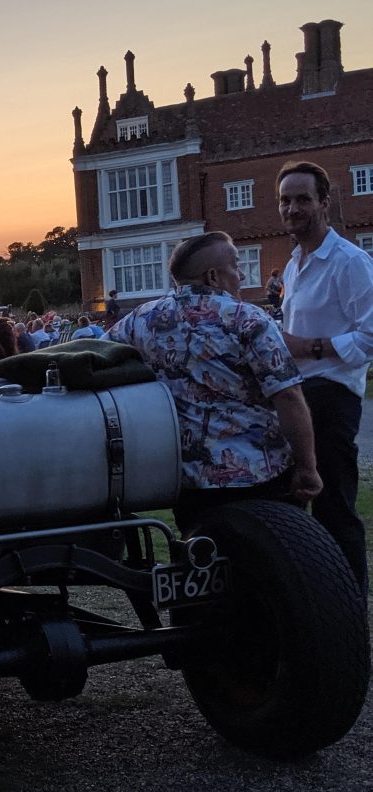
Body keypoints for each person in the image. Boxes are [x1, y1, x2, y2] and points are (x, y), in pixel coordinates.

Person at [108, 230, 320, 532]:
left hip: (189, 482)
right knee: (277, 567)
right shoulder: (249, 320)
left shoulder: (141, 320)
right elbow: (288, 397)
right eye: (235, 265)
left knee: (207, 564)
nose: (243, 275)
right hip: (260, 476)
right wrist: (307, 468)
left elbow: (98, 356)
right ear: (213, 277)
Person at [276, 160, 373, 588]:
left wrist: (309, 346)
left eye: (302, 199)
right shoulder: (296, 263)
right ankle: (313, 603)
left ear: (325, 203)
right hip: (298, 394)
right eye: (285, 200)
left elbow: (371, 334)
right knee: (292, 505)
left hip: (332, 397)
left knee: (335, 505)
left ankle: (349, 611)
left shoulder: (349, 262)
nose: (292, 208)